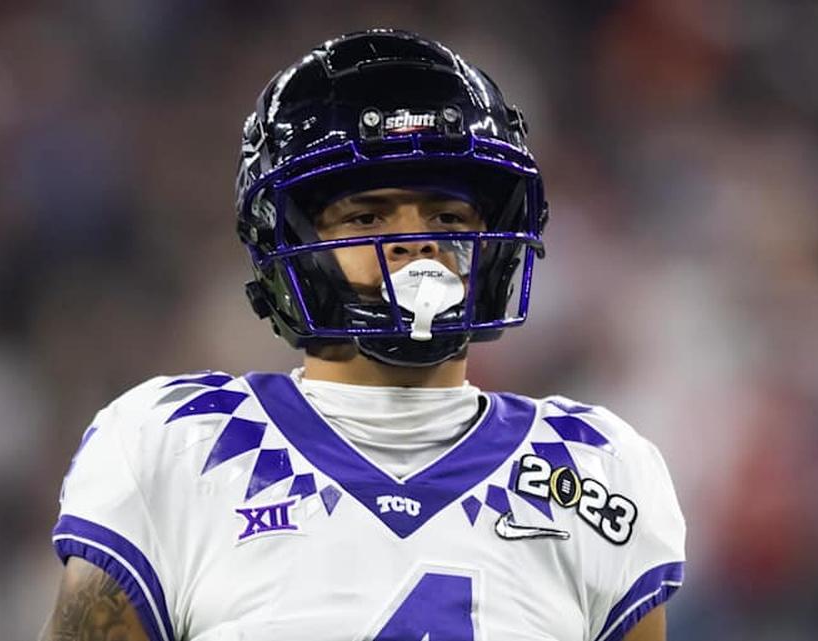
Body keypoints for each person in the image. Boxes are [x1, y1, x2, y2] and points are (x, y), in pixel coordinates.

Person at [40, 29, 685, 641]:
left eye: (449, 214)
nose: (418, 239)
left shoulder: (594, 466)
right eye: (367, 214)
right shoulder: (178, 447)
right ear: (290, 239)